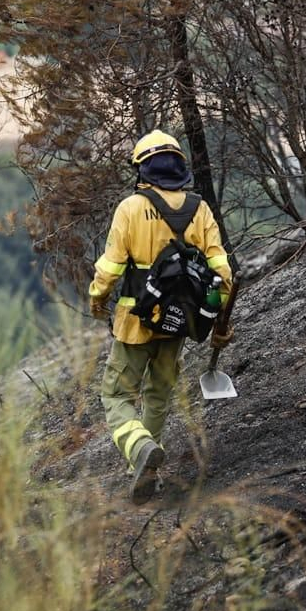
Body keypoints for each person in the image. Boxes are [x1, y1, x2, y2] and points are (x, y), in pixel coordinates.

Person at [88, 131, 233, 498]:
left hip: (135, 319)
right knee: (157, 396)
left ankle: (139, 451)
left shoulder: (131, 208)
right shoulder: (200, 209)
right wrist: (219, 319)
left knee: (117, 396)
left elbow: (110, 268)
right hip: (179, 322)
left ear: (143, 170)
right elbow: (222, 273)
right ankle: (145, 470)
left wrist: (97, 299)